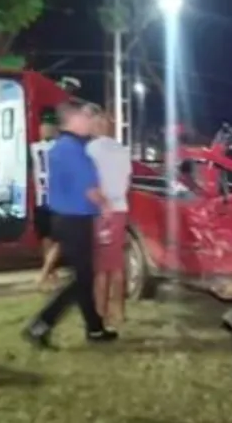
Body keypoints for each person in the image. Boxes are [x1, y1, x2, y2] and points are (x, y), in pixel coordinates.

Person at [23, 101, 117, 348]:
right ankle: (40, 324)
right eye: (86, 117)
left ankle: (95, 329)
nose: (90, 121)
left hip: (66, 219)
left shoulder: (63, 146)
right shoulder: (72, 149)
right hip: (75, 220)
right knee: (83, 279)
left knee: (84, 277)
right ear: (73, 120)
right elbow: (90, 189)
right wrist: (107, 207)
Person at [85, 106, 132, 328]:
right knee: (117, 265)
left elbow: (87, 184)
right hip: (120, 209)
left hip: (100, 210)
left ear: (96, 126)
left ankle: (100, 311)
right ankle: (119, 311)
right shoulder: (123, 150)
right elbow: (128, 181)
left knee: (100, 266)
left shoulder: (89, 150)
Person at [32, 108, 61, 289]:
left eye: (47, 126)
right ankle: (51, 274)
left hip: (54, 200)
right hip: (44, 200)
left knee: (57, 239)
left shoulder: (36, 148)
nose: (45, 129)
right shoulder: (36, 148)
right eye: (44, 126)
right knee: (47, 238)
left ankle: (45, 273)